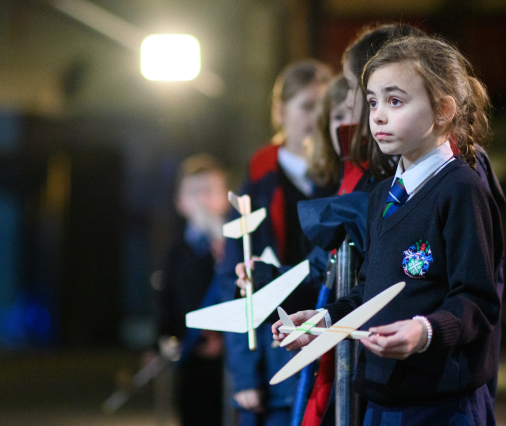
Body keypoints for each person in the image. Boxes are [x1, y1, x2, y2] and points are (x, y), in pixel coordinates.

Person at [273, 35, 502, 426]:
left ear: (443, 110)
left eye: (395, 101)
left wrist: (423, 331)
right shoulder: (383, 195)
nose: (376, 115)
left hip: (441, 406)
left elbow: (478, 301)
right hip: (381, 401)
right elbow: (372, 292)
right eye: (374, 101)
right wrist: (323, 321)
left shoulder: (461, 189)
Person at [218, 59, 333, 426]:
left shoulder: (346, 176)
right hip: (273, 356)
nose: (317, 117)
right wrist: (245, 372)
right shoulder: (258, 181)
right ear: (280, 111)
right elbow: (234, 280)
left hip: (330, 347)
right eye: (307, 105)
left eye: (325, 106)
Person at [154, 153, 229, 426]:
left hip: (227, 359)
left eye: (209, 191)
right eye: (194, 192)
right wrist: (164, 337)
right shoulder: (175, 252)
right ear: (180, 202)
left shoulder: (235, 246)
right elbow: (166, 299)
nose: (202, 200)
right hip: (190, 357)